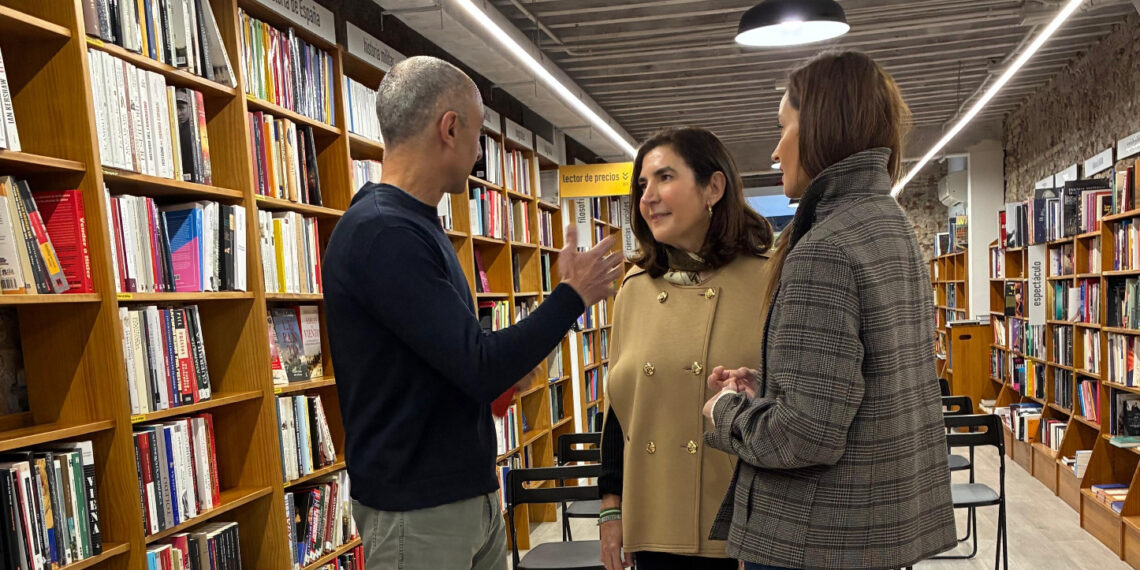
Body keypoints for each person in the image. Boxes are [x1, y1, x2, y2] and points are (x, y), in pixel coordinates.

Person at [323, 56, 623, 570]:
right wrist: (572, 296)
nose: (481, 153)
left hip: (459, 498)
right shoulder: (384, 233)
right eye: (479, 133)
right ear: (450, 127)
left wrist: (514, 368)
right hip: (419, 513)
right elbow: (478, 365)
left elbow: (453, 362)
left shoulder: (414, 226)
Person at [702, 50, 957, 570]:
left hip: (816, 541)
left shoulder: (824, 248)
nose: (775, 152)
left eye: (783, 128)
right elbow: (867, 384)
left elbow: (805, 435)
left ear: (819, 129)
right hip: (874, 529)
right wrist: (771, 387)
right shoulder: (891, 225)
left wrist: (723, 413)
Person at [599, 127, 775, 570]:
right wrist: (611, 508)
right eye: (642, 185)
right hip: (655, 519)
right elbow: (619, 413)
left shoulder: (770, 280)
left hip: (741, 526)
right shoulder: (634, 289)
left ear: (713, 188)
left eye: (664, 178)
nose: (648, 197)